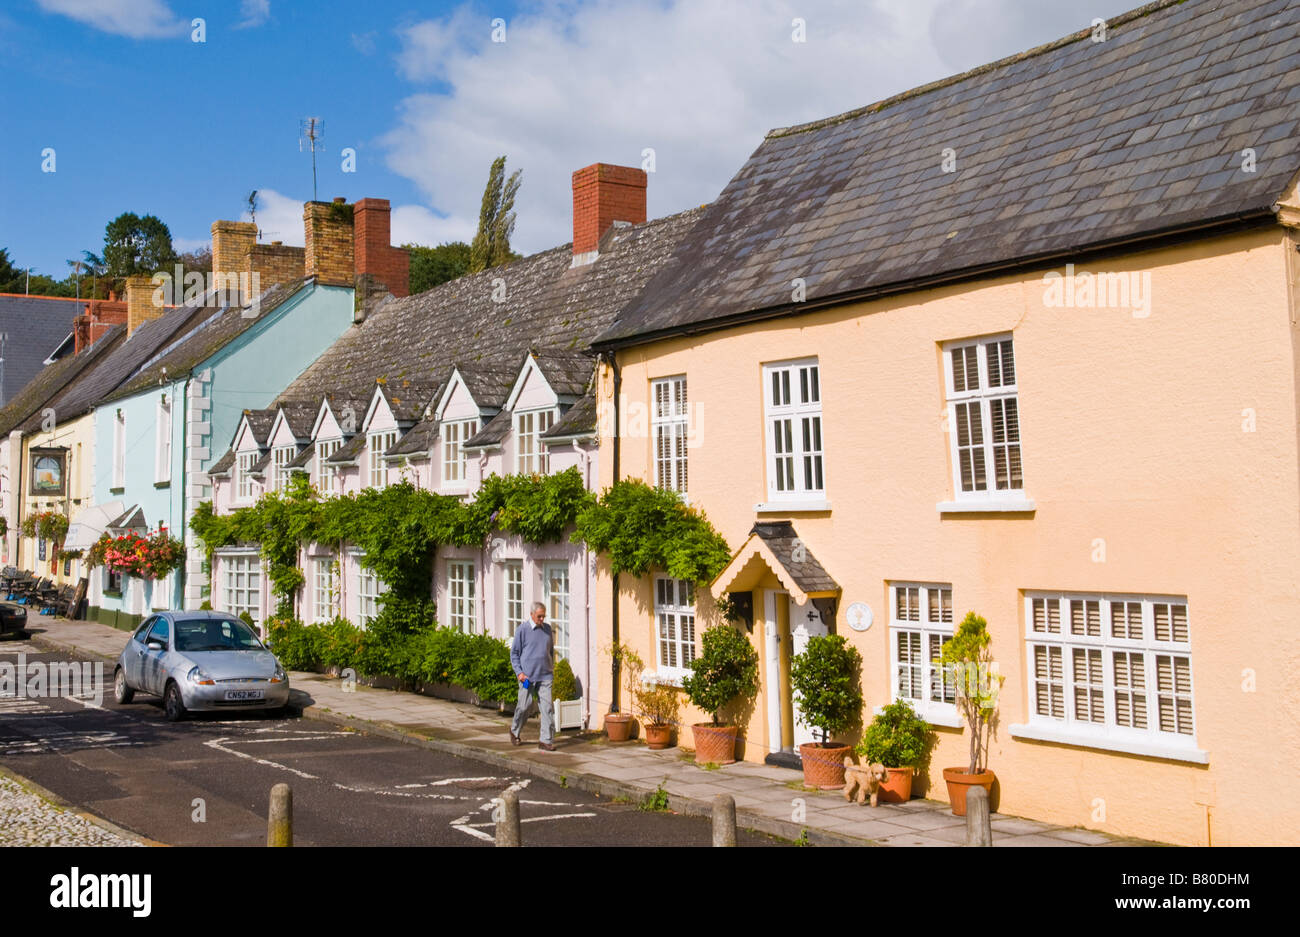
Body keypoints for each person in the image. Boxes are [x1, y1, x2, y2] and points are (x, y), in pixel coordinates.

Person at [509, 601, 556, 751]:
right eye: (539, 616)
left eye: (544, 616)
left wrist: (551, 667)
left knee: (548, 708)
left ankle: (545, 740)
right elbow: (514, 653)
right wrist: (520, 673)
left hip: (545, 677)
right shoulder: (522, 630)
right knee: (524, 706)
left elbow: (550, 651)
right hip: (527, 678)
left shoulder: (548, 629)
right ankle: (514, 731)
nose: (542, 619)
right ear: (531, 614)